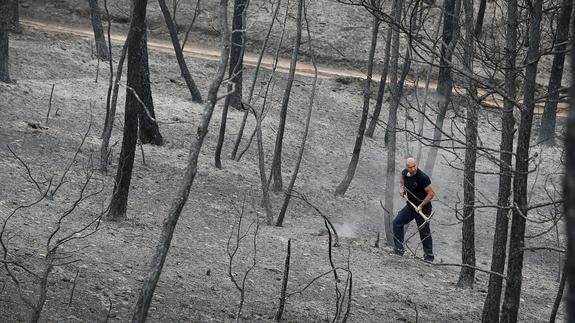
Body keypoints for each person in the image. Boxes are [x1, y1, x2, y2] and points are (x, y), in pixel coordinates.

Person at [392, 157, 435, 262]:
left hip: (423, 208)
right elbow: (402, 177)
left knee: (424, 231)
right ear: (406, 167)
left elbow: (431, 194)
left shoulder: (423, 177)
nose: (413, 169)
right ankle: (399, 249)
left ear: (417, 165)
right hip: (411, 206)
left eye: (414, 166)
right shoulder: (405, 172)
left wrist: (420, 206)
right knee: (397, 222)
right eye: (410, 167)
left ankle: (429, 257)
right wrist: (401, 188)